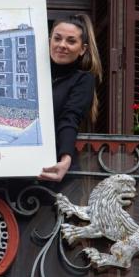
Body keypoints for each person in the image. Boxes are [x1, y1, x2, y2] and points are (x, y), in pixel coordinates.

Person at [38, 14, 102, 182]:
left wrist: (65, 159)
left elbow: (70, 118)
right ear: (49, 40)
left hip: (53, 169)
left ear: (83, 49)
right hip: (17, 167)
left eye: (71, 41)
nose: (62, 45)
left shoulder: (83, 80)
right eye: (57, 38)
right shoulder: (32, 74)